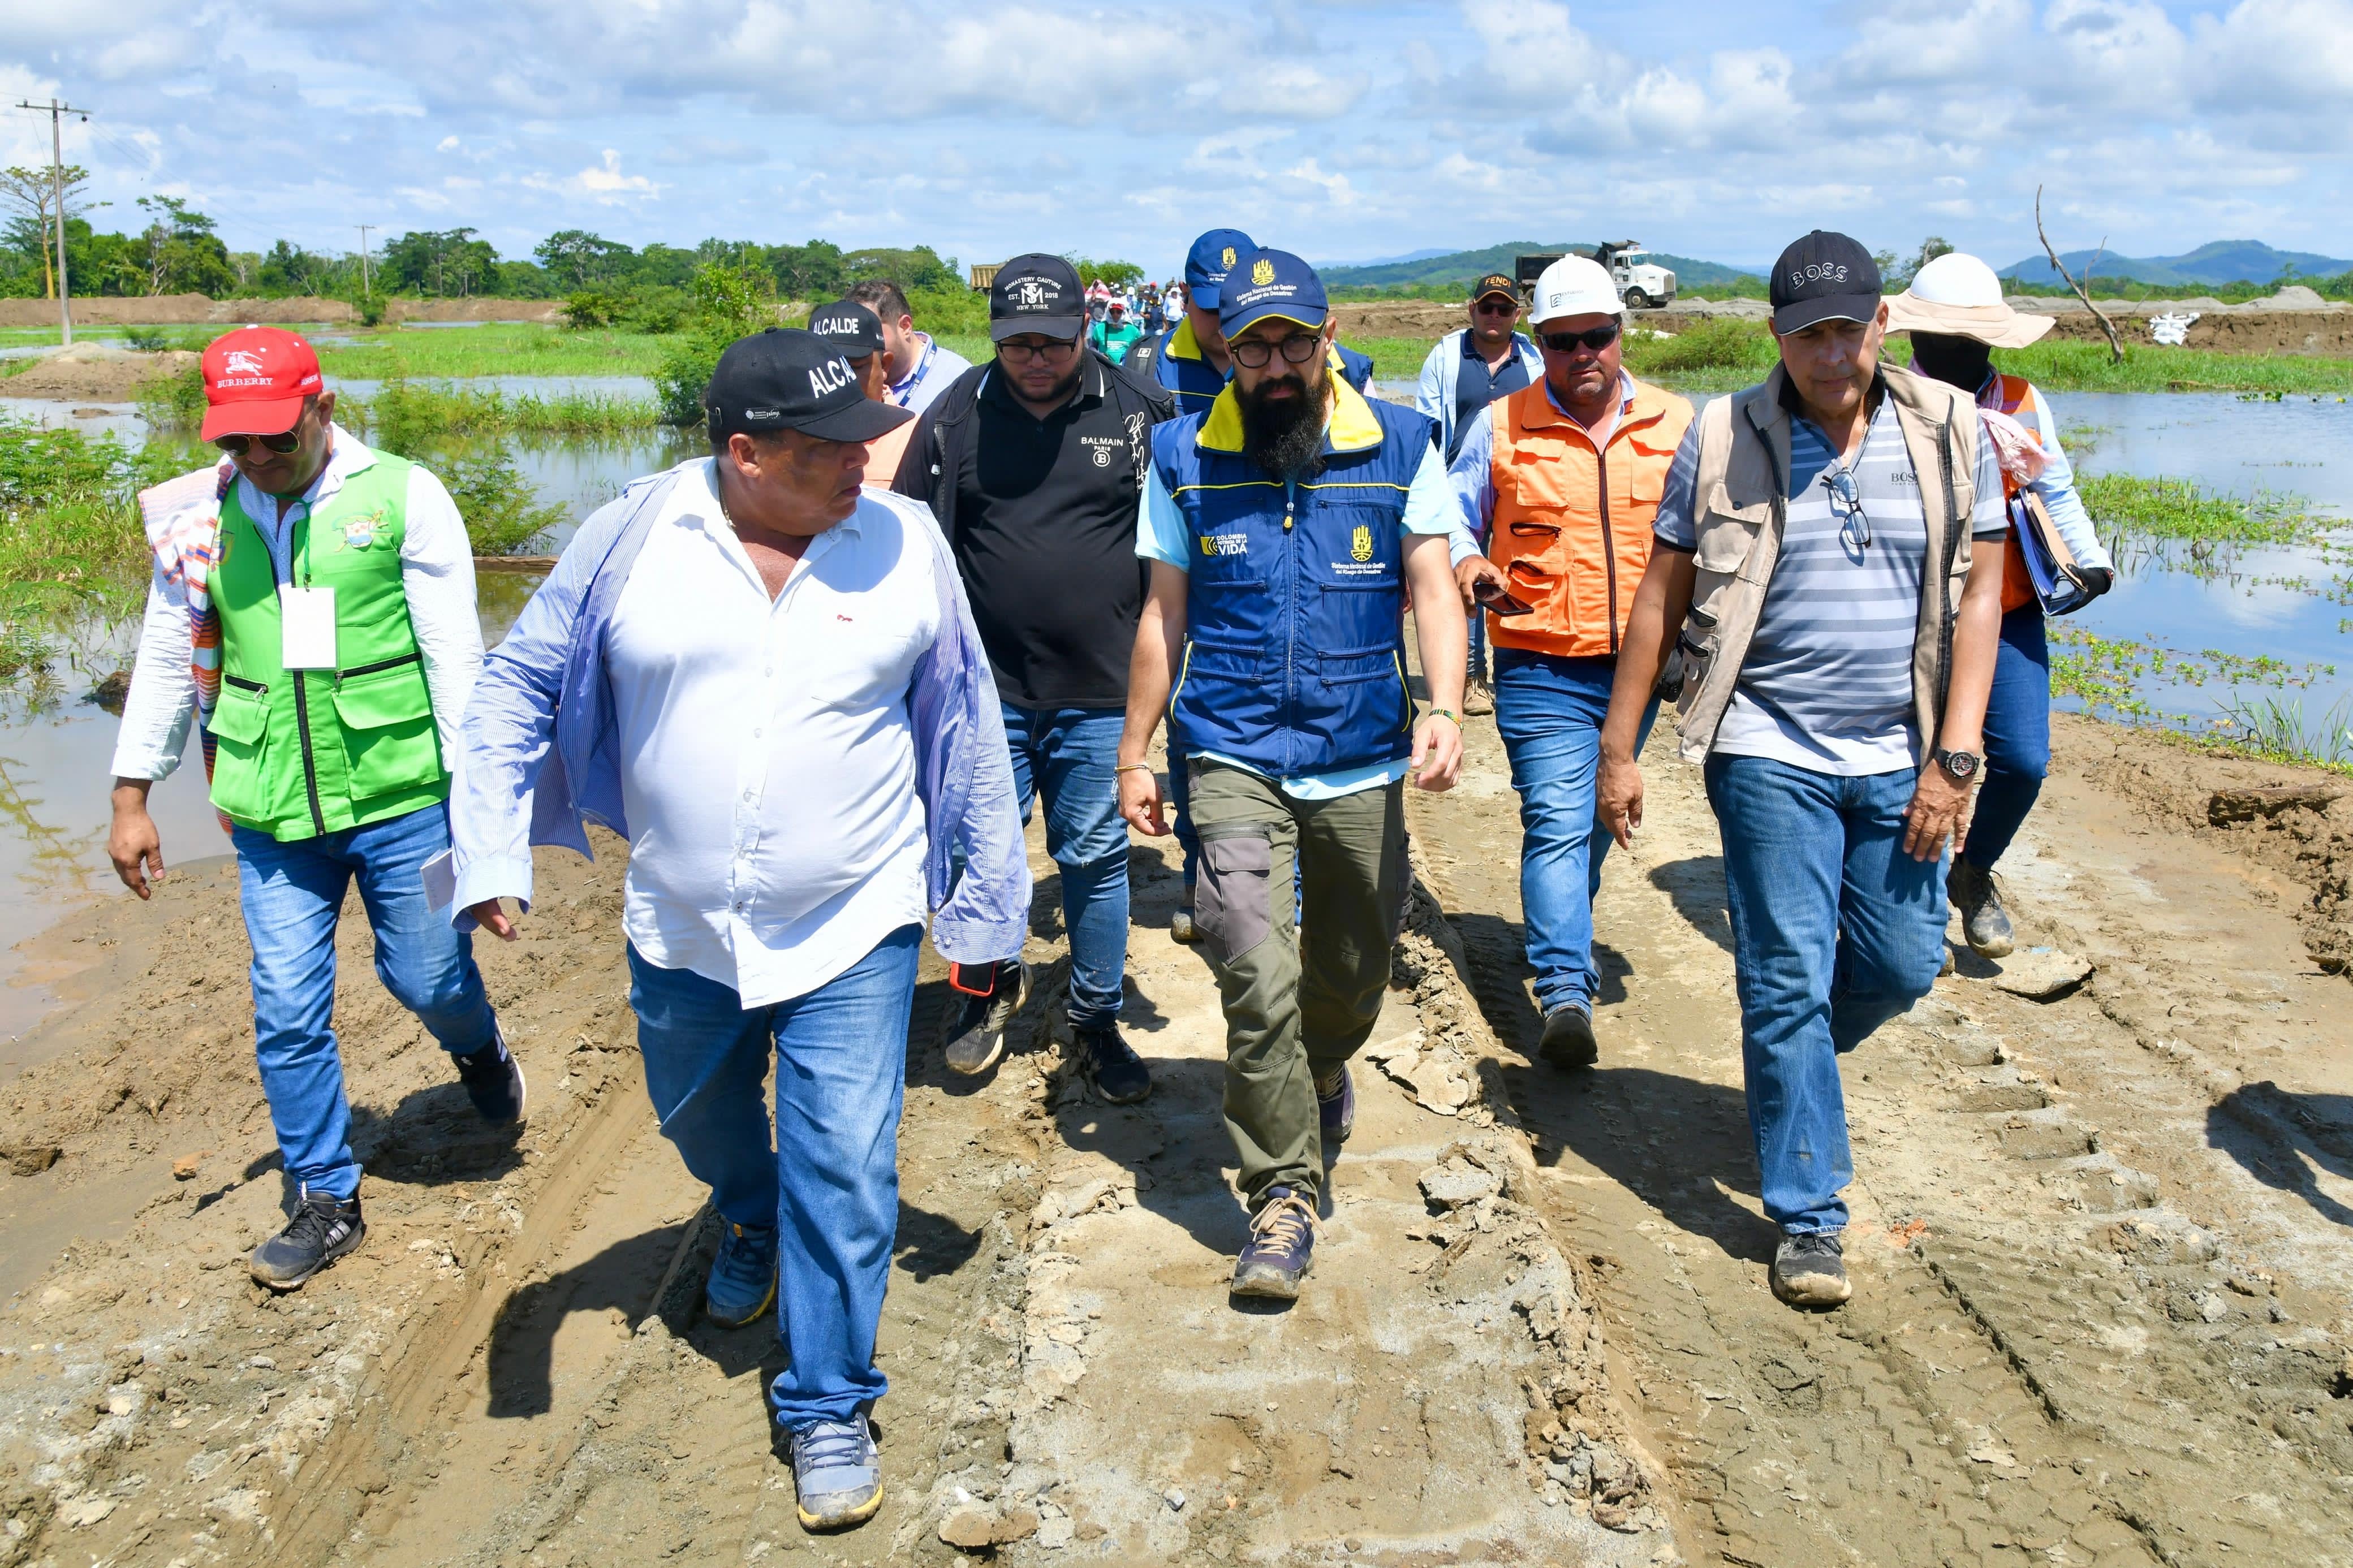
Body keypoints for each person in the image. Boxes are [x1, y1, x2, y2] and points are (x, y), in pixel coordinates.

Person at [440, 327, 1030, 1531]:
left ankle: (828, 1400)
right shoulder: (633, 535)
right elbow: (515, 687)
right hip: (678, 919)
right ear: (746, 452)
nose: (865, 465)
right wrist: (492, 847)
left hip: (855, 916)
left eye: (870, 440)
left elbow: (969, 724)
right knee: (700, 1124)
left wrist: (985, 909)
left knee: (848, 1162)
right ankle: (746, 1211)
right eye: (832, 451)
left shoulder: (903, 541)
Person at [1595, 232, 2008, 1311]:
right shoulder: (1725, 432)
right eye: (1807, 334)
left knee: (1905, 961)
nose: (1832, 354)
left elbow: (1979, 599)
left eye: (1849, 328)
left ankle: (1792, 1077)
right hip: (1767, 745)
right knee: (1781, 978)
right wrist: (1618, 747)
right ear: (1778, 337)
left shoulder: (1957, 428)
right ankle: (1810, 1212)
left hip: (1903, 750)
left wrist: (1956, 756)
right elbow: (1661, 595)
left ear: (1885, 323)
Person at [105, 326, 519, 1293]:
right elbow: (170, 658)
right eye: (235, 442)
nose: (256, 459)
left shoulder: (403, 496)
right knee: (287, 1005)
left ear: (322, 410)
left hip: (401, 791)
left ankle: (478, 1042)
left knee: (425, 978)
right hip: (269, 805)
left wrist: (486, 831)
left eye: (275, 438)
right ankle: (325, 1196)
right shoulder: (196, 517)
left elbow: (458, 664)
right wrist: (131, 796)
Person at [1116, 247, 1468, 1304]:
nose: (1272, 364)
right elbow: (1161, 613)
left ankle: (1325, 1065)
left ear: (1327, 340)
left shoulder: (1404, 442)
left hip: (1360, 751)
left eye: (1292, 342)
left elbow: (1435, 586)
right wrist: (1136, 748)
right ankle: (1281, 1197)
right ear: (1225, 346)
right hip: (1228, 749)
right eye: (1252, 343)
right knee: (1248, 964)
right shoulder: (1182, 455)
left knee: (1356, 962)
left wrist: (1445, 704)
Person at [895, 254, 1176, 1100]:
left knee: (1092, 856)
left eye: (1051, 343)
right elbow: (908, 531)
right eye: (1016, 344)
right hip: (987, 691)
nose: (1035, 359)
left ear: (1082, 330)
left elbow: (1175, 547)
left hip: (1101, 689)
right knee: (978, 853)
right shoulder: (957, 415)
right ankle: (983, 991)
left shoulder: (1137, 413)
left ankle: (1095, 1019)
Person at [1433, 257, 1691, 1068]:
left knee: (1589, 824)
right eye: (1562, 340)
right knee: (1554, 813)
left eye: (1597, 337)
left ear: (1621, 334)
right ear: (1539, 342)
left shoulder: (1678, 423)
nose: (1583, 354)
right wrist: (1471, 565)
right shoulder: (1502, 425)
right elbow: (1451, 517)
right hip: (1540, 659)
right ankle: (1565, 989)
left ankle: (1559, 938)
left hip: (1639, 669)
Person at [1886, 252, 2114, 957]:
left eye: (1964, 339)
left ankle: (1971, 869)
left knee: (2021, 760)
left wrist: (2092, 560)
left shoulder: (2019, 402)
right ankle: (1910, 913)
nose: (1949, 350)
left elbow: (2055, 490)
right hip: (1909, 610)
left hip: (2006, 605)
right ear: (1914, 339)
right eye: (1936, 337)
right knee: (1915, 756)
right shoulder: (1885, 399)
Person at [1416, 271, 1545, 716]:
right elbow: (1429, 428)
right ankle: (1471, 676)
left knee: (1517, 574)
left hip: (1516, 485)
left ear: (1518, 315)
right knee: (1466, 578)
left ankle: (1524, 667)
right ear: (1472, 310)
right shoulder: (1446, 357)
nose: (1494, 315)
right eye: (1486, 307)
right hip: (1457, 484)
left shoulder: (1533, 362)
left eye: (1504, 309)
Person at [811, 298, 915, 480]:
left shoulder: (918, 437)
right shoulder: (791, 437)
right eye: (824, 368)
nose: (838, 381)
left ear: (884, 366)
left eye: (854, 367)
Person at [846, 278, 972, 414]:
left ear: (905, 326)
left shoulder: (959, 379)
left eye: (869, 331)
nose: (859, 344)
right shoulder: (844, 375)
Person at [1090, 296, 1144, 364]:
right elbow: (1092, 347)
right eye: (1112, 312)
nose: (1115, 315)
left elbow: (1140, 350)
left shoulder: (1133, 331)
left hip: (1124, 369)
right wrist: (1100, 356)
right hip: (1104, 368)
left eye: (1119, 312)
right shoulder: (1099, 328)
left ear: (1123, 312)